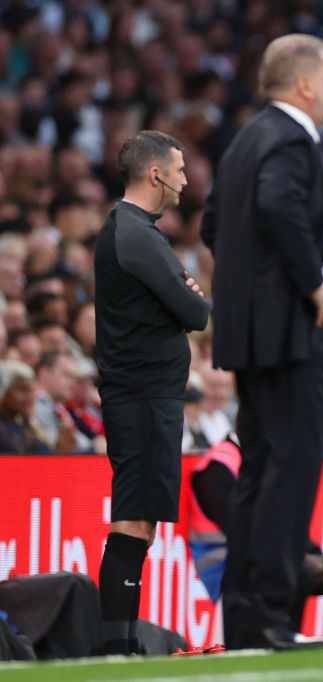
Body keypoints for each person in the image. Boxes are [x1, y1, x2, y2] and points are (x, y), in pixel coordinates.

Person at [201, 34, 323, 650]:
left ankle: (246, 617)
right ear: (304, 85)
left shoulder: (246, 140)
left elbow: (216, 224)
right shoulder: (291, 139)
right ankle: (269, 615)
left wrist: (251, 293)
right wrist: (310, 287)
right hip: (299, 334)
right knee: (289, 473)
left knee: (262, 471)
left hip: (258, 336)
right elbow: (277, 206)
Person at [94, 130, 210, 655]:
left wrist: (187, 293)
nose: (186, 181)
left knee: (140, 521)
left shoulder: (140, 231)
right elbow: (195, 310)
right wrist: (188, 295)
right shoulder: (135, 235)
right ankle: (115, 647)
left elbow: (190, 303)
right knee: (133, 519)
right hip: (140, 395)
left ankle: (121, 642)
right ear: (155, 174)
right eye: (180, 171)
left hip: (148, 395)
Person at [188, 435, 323, 645]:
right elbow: (239, 529)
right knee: (297, 574)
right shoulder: (218, 465)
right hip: (230, 565)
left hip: (271, 555)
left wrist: (313, 554)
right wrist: (299, 559)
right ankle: (285, 644)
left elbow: (286, 522)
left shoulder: (267, 461)